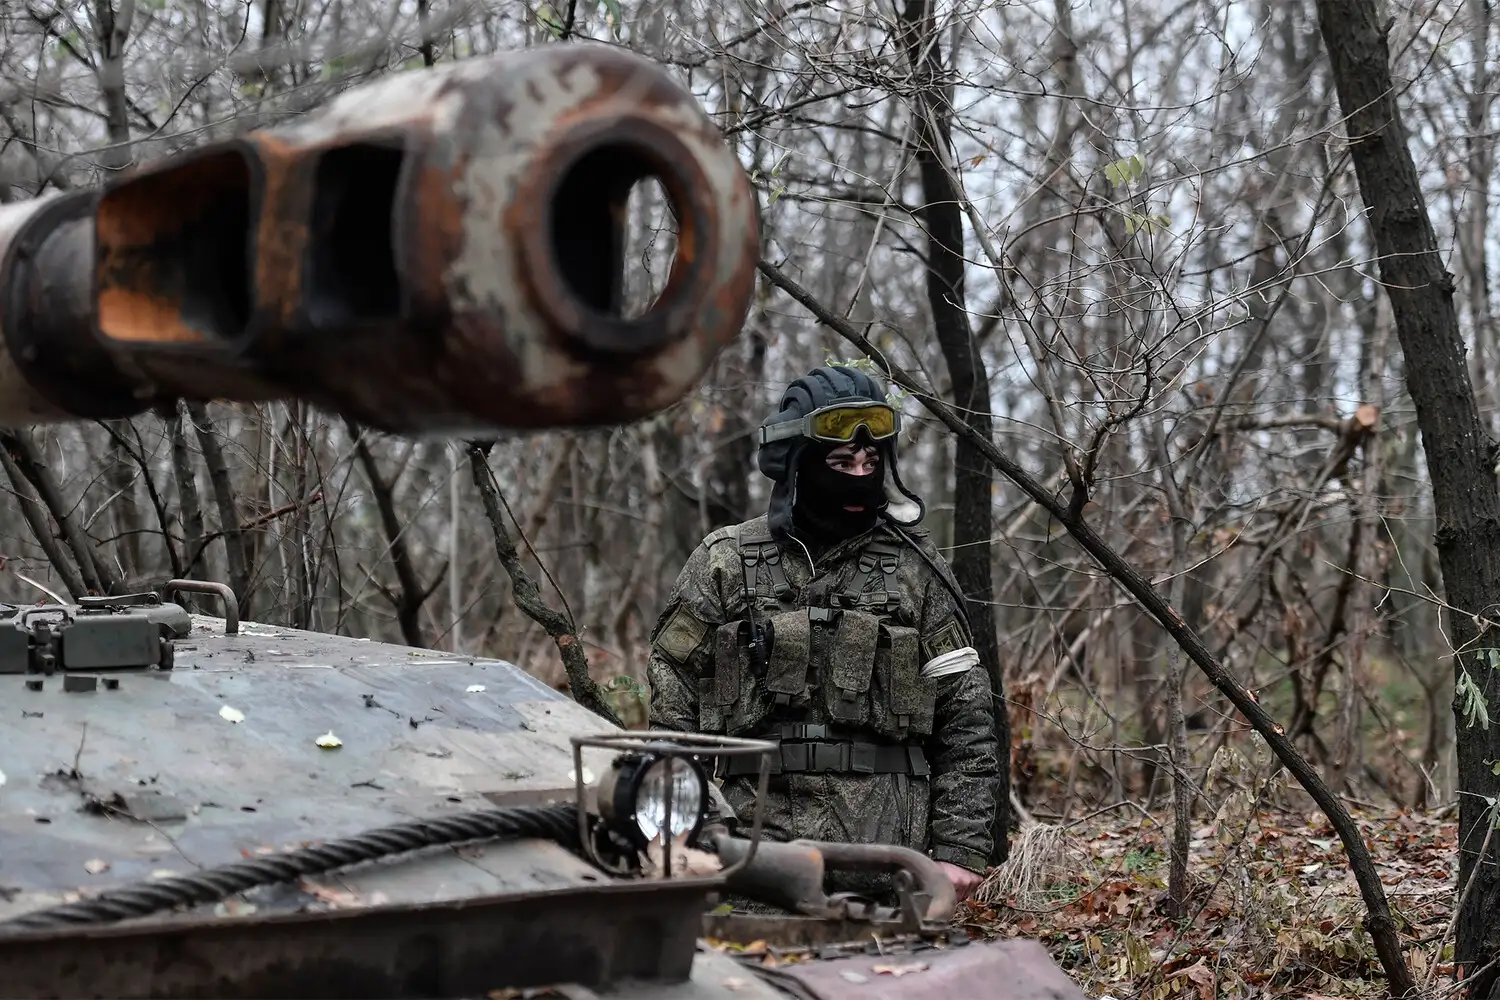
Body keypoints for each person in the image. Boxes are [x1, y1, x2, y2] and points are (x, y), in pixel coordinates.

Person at [645, 364, 1001, 902]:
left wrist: (958, 850)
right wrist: (682, 827)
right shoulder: (726, 562)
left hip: (890, 867)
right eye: (839, 461)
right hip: (751, 858)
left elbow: (966, 718)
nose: (858, 474)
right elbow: (672, 704)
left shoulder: (916, 570)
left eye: (870, 460)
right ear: (798, 465)